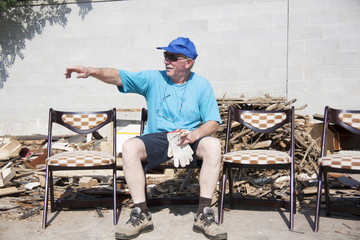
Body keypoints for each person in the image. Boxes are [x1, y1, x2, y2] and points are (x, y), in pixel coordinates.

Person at [65, 37, 227, 240]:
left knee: (212, 144)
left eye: (172, 57)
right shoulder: (153, 78)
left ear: (188, 63)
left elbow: (213, 122)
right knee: (130, 146)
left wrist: (195, 134)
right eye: (165, 55)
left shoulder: (202, 85)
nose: (166, 60)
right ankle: (141, 213)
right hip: (157, 138)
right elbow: (118, 76)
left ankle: (204, 214)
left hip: (189, 137)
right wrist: (91, 71)